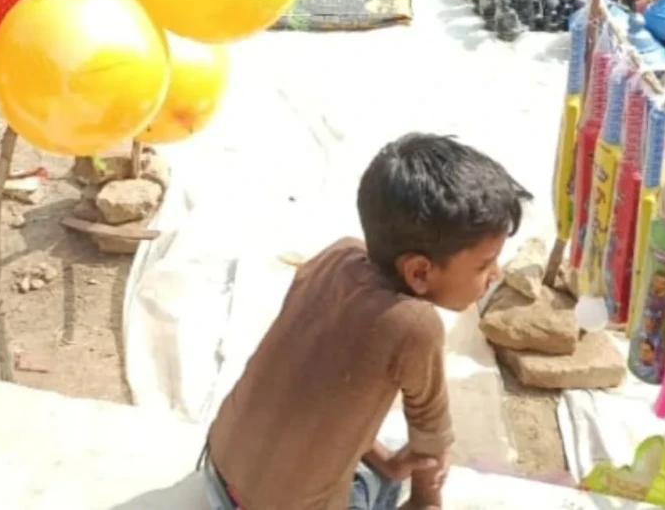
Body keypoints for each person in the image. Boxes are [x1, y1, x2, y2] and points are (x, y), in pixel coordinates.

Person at [200, 134, 529, 510]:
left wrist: (386, 461)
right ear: (419, 271)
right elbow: (431, 446)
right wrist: (425, 502)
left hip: (218, 475)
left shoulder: (337, 254)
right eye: (484, 264)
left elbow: (311, 393)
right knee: (388, 488)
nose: (496, 274)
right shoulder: (416, 324)